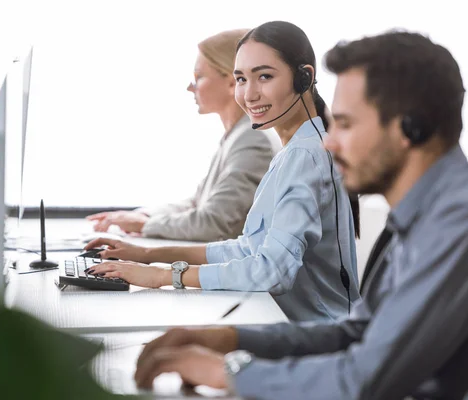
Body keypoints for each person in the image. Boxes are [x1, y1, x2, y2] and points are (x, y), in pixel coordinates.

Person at [130, 29, 468, 399]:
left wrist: (228, 372)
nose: (329, 140)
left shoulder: (465, 218)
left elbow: (361, 380)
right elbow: (356, 331)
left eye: (344, 124)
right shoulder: (428, 214)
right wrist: (233, 339)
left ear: (409, 128)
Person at [83, 21, 361, 322]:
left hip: (317, 336)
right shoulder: (297, 150)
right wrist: (149, 255)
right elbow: (249, 248)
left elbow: (272, 271)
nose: (249, 94)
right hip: (293, 325)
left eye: (264, 76)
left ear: (304, 77)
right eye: (241, 79)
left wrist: (163, 276)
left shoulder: (306, 156)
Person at [86, 29, 281, 242]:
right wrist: (142, 215)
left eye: (199, 76)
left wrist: (145, 225)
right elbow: (197, 203)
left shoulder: (253, 140)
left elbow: (213, 224)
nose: (190, 86)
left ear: (232, 83)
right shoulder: (237, 135)